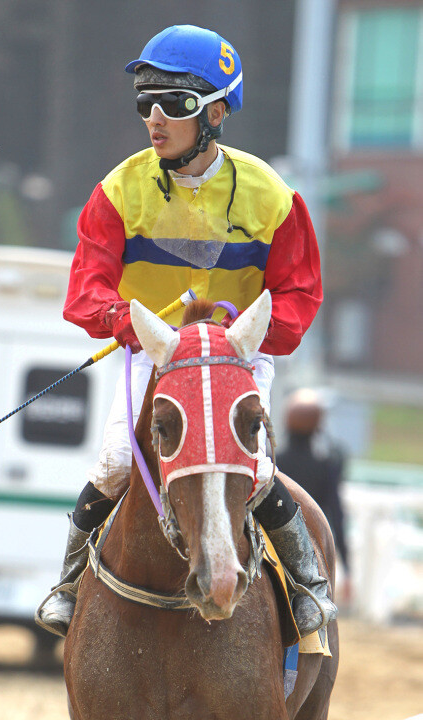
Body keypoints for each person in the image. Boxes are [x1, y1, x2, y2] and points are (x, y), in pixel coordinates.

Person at [37, 24, 337, 639]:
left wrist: (246, 335)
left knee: (249, 470)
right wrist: (123, 319)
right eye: (145, 101)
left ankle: (307, 584)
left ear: (217, 112)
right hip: (159, 351)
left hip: (235, 354)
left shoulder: (274, 197)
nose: (155, 118)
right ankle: (68, 584)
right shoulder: (118, 191)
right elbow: (85, 289)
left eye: (174, 104)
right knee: (118, 460)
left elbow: (300, 296)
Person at [277, 389, 352, 599]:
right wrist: (347, 567)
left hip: (274, 550)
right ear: (318, 424)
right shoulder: (327, 464)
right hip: (312, 555)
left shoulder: (272, 461)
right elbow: (337, 515)